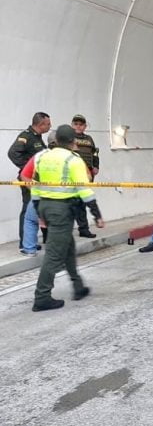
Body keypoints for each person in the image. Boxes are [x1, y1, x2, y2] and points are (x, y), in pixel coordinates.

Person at [31, 125, 104, 312]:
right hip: (61, 210)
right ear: (73, 141)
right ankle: (42, 297)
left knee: (68, 246)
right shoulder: (74, 160)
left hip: (45, 206)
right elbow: (84, 189)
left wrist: (39, 210)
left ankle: (78, 286)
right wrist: (96, 215)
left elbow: (35, 185)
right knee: (54, 255)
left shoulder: (41, 156)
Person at [7, 112, 50, 249]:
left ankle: (30, 241)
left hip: (37, 180)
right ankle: (24, 243)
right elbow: (12, 153)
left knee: (36, 209)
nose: (50, 126)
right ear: (40, 124)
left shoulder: (37, 137)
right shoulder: (26, 136)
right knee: (28, 210)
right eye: (48, 124)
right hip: (28, 179)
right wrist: (28, 169)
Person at [70, 114, 100, 238]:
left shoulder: (89, 139)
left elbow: (95, 154)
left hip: (86, 174)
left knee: (82, 202)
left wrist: (96, 166)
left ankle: (83, 229)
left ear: (85, 126)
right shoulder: (68, 138)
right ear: (72, 125)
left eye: (81, 124)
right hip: (72, 174)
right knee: (70, 203)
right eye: (76, 124)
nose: (78, 126)